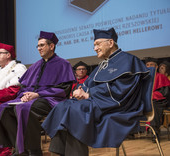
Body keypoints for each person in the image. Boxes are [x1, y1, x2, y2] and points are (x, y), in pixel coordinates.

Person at [42, 28, 151, 156]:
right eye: (94, 45)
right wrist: (81, 90)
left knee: (76, 110)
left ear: (110, 43)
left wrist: (89, 94)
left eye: (98, 44)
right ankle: (58, 153)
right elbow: (88, 84)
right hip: (100, 101)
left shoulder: (128, 60)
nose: (95, 48)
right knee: (63, 106)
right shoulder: (103, 64)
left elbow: (122, 90)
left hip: (120, 106)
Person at [0, 31, 75, 156]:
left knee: (24, 109)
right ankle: (20, 149)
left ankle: (34, 151)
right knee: (3, 109)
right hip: (32, 99)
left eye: (42, 45)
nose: (39, 48)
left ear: (51, 46)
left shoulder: (63, 64)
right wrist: (26, 95)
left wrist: (38, 94)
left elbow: (64, 89)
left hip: (51, 99)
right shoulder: (35, 66)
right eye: (38, 46)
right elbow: (24, 86)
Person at [145, 57, 170, 142]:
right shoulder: (143, 77)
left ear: (156, 67)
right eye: (147, 65)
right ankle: (130, 132)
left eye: (151, 65)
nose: (149, 66)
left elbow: (165, 93)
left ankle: (155, 133)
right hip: (145, 100)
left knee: (153, 104)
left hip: (159, 101)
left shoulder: (161, 77)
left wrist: (152, 95)